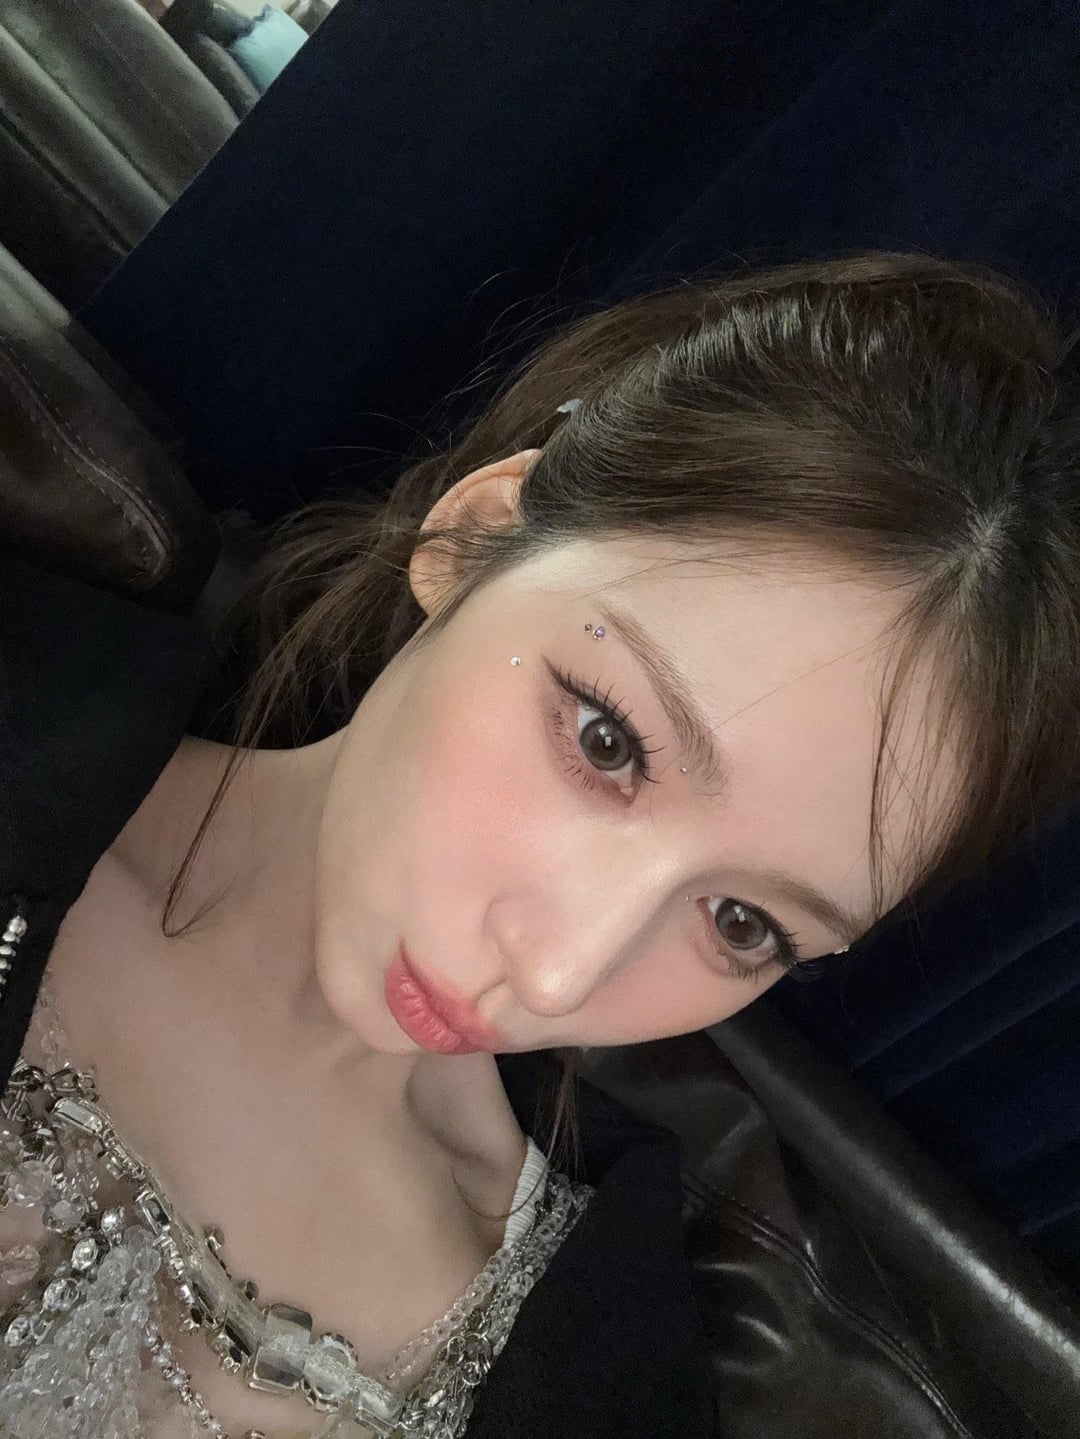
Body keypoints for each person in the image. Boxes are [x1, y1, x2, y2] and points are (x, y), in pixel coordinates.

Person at [0, 248, 1078, 1439]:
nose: (560, 974)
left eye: (743, 924)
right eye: (609, 742)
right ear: (470, 538)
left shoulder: (576, 1374)